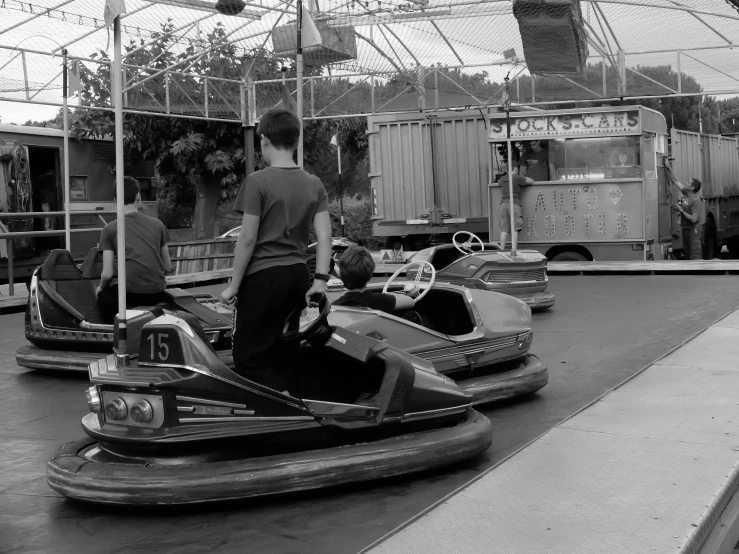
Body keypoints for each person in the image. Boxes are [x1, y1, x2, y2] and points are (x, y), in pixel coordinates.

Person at [220, 108, 332, 392]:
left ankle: (280, 409)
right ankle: (296, 402)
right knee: (284, 349)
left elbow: (247, 239)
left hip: (262, 279)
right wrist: (319, 280)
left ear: (264, 141)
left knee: (248, 358)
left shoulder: (257, 182)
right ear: (295, 142)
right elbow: (324, 235)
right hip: (297, 276)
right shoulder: (314, 184)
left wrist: (233, 286)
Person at [96, 176, 173, 322]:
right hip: (156, 292)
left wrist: (100, 288)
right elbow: (168, 267)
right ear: (138, 196)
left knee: (103, 298)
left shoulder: (109, 229)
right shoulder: (158, 225)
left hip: (130, 295)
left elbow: (107, 274)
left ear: (115, 200)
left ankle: (114, 334)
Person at [334, 246, 416, 314]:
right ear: (370, 274)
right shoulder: (378, 300)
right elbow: (410, 302)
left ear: (341, 275)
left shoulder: (335, 307)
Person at [664, 158, 703, 260]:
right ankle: (691, 273)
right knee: (687, 252)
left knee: (694, 253)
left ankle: (697, 272)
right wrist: (669, 167)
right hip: (685, 229)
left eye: (688, 182)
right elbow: (675, 181)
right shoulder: (686, 192)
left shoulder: (696, 200)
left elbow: (694, 219)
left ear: (692, 188)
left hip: (693, 230)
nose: (685, 182)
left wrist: (681, 210)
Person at [497, 170, 534, 254]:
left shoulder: (502, 179)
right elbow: (531, 181)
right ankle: (514, 250)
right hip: (514, 203)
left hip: (503, 204)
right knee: (515, 228)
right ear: (515, 169)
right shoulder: (517, 178)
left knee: (503, 230)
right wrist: (526, 177)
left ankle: (501, 250)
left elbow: (498, 183)